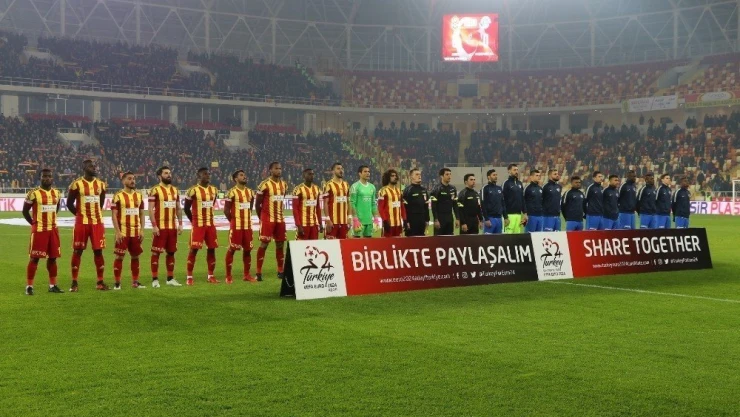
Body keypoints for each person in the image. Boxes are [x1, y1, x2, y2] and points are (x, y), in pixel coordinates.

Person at [66, 159, 107, 291]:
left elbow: (101, 203)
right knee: (78, 251)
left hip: (97, 223)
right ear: (84, 168)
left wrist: (95, 215)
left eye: (95, 166)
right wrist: (79, 215)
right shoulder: (76, 184)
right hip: (82, 223)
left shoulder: (101, 184)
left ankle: (100, 282)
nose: (94, 168)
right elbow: (69, 203)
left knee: (98, 251)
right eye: (91, 166)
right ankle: (74, 283)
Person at [22, 169, 64, 295]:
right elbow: (25, 211)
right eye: (44, 176)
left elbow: (56, 208)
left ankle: (53, 285)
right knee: (35, 258)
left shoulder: (57, 193)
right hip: (39, 230)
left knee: (53, 258)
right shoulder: (33, 193)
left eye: (49, 176)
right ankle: (29, 287)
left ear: (52, 178)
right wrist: (34, 223)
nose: (47, 178)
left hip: (53, 230)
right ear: (40, 178)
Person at [148, 166, 184, 288]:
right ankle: (155, 279)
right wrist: (154, 226)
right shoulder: (155, 190)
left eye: (169, 173)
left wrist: (180, 224)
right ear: (160, 176)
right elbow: (150, 209)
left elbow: (178, 208)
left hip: (172, 227)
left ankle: (170, 278)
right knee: (156, 253)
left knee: (171, 253)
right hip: (160, 227)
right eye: (166, 173)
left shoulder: (175, 190)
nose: (169, 175)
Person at [184, 167, 219, 285]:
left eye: (208, 174)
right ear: (199, 176)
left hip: (210, 225)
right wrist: (193, 221)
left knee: (212, 249)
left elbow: (212, 204)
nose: (207, 175)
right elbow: (186, 208)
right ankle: (189, 277)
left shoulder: (214, 190)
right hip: (198, 225)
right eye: (205, 174)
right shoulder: (193, 190)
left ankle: (211, 275)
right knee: (194, 250)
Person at [111, 172, 145, 290]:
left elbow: (141, 214)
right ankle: (117, 283)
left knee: (135, 256)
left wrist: (142, 230)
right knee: (119, 257)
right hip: (123, 232)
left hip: (136, 232)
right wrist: (117, 232)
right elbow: (114, 215)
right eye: (129, 179)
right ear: (123, 181)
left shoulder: (139, 196)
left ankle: (135, 282)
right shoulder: (118, 196)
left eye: (133, 179)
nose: (132, 181)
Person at [255, 162, 288, 281]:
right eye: (276, 168)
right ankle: (258, 272)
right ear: (270, 170)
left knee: (280, 244)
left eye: (280, 168)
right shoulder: (264, 184)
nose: (279, 170)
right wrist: (262, 217)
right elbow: (257, 204)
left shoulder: (284, 184)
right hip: (267, 219)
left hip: (280, 219)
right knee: (264, 244)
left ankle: (280, 270)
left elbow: (282, 199)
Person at [224, 169, 256, 284]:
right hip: (236, 227)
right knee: (232, 250)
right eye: (241, 175)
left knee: (248, 250)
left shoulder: (250, 192)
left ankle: (247, 275)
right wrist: (233, 221)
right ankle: (228, 276)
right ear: (236, 179)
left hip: (247, 227)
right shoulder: (231, 192)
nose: (244, 176)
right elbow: (226, 210)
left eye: (244, 175)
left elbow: (250, 207)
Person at [349, 165, 379, 238]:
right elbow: (352, 203)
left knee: (368, 242)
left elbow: (373, 204)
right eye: (365, 171)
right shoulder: (355, 186)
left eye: (368, 171)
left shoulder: (372, 187)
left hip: (369, 221)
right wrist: (355, 218)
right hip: (358, 221)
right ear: (360, 173)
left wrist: (376, 217)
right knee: (356, 242)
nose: (368, 173)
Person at [292, 168, 323, 240]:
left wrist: (320, 223)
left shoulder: (317, 189)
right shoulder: (298, 189)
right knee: (301, 245)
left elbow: (318, 208)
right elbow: (295, 209)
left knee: (314, 245)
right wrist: (298, 225)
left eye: (312, 174)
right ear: (304, 176)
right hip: (303, 224)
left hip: (314, 224)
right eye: (309, 174)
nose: (311, 176)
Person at [323, 162, 350, 239]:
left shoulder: (346, 184)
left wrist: (349, 217)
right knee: (330, 244)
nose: (341, 170)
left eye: (342, 169)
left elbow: (348, 202)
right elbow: (325, 203)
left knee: (344, 244)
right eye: (338, 169)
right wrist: (328, 219)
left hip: (344, 221)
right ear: (333, 171)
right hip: (332, 221)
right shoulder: (328, 185)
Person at [430, 168, 459, 235]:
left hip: (450, 217)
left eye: (450, 174)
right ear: (441, 176)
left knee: (450, 238)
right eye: (447, 174)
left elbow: (455, 204)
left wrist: (457, 218)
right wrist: (436, 220)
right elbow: (433, 205)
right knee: (439, 239)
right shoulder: (436, 188)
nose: (449, 176)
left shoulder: (453, 188)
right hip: (440, 218)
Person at [378, 169, 406, 238]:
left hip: (398, 224)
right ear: (387, 177)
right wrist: (385, 221)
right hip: (388, 224)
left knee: (398, 242)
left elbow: (402, 206)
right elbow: (381, 208)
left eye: (395, 176)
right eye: (392, 176)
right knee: (387, 243)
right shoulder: (383, 191)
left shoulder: (399, 191)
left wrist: (404, 219)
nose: (395, 177)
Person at [402, 168, 429, 237]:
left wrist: (427, 220)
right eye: (417, 174)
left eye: (420, 174)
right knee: (411, 240)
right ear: (411, 177)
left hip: (422, 219)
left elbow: (426, 206)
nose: (419, 176)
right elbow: (405, 208)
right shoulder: (408, 190)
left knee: (422, 239)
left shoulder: (424, 190)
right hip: (412, 220)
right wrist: (406, 222)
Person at [480, 169, 507, 234]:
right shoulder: (485, 188)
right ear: (488, 177)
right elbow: (482, 204)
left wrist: (505, 217)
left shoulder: (499, 188)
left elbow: (502, 203)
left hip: (499, 219)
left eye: (496, 175)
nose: (496, 176)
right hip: (490, 218)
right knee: (488, 239)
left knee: (498, 239)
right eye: (494, 175)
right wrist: (486, 219)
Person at [503, 164, 526, 233]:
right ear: (509, 171)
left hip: (518, 215)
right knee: (508, 236)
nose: (516, 172)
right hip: (509, 215)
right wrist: (505, 216)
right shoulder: (506, 183)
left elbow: (522, 199)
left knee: (517, 236)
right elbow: (502, 200)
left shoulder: (520, 183)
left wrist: (525, 213)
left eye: (517, 170)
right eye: (514, 170)